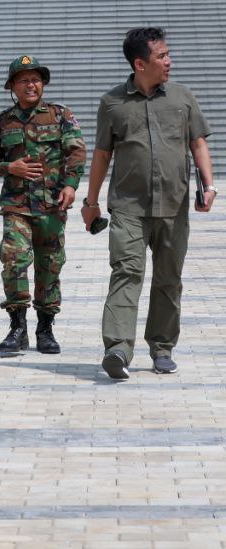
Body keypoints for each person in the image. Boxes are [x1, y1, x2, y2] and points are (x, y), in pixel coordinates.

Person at [82, 28, 215, 379]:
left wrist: (209, 185)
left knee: (169, 279)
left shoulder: (183, 97)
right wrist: (91, 202)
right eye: (162, 56)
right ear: (140, 64)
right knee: (126, 273)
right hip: (128, 207)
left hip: (174, 205)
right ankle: (117, 349)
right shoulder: (112, 103)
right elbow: (102, 155)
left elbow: (198, 143)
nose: (169, 61)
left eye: (168, 54)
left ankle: (162, 348)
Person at [0, 55, 86, 355]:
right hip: (16, 205)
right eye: (24, 80)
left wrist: (71, 185)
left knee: (49, 266)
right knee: (14, 260)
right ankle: (17, 327)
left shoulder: (60, 115)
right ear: (12, 86)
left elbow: (76, 152)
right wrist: (9, 167)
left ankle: (45, 329)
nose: (31, 85)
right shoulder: (2, 121)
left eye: (36, 79)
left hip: (52, 204)